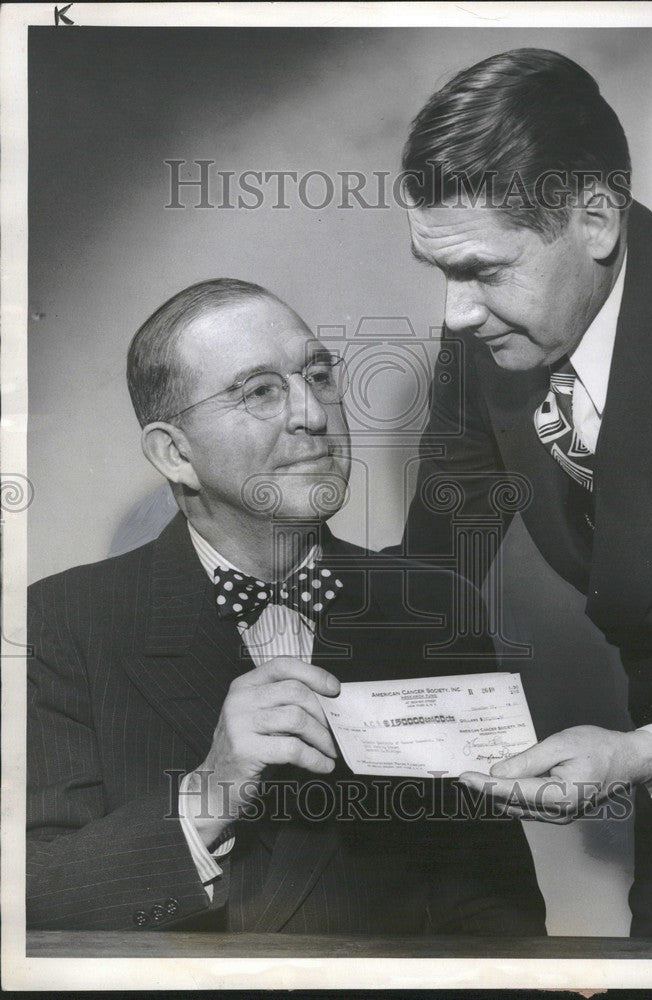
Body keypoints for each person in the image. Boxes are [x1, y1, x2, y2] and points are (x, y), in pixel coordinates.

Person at [27, 278, 546, 936]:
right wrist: (208, 793)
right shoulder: (61, 623)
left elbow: (494, 908)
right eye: (260, 390)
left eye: (319, 374)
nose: (312, 412)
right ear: (174, 452)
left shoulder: (435, 608)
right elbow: (33, 905)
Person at [398, 49, 652, 939]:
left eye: (482, 269)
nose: (456, 314)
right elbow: (433, 570)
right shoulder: (488, 340)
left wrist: (644, 751)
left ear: (594, 219)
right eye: (441, 272)